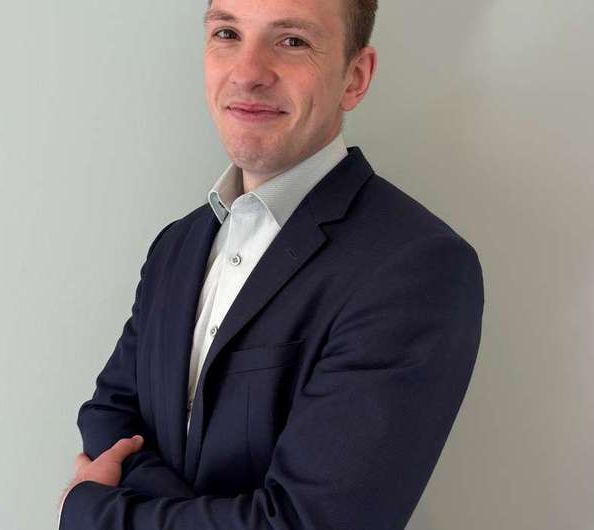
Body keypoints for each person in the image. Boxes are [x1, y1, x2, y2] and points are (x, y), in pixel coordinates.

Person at [57, 0, 485, 528]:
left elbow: (310, 522)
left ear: (355, 77)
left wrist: (95, 513)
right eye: (227, 33)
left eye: (292, 41)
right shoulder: (176, 246)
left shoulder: (417, 268)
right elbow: (107, 416)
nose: (247, 73)